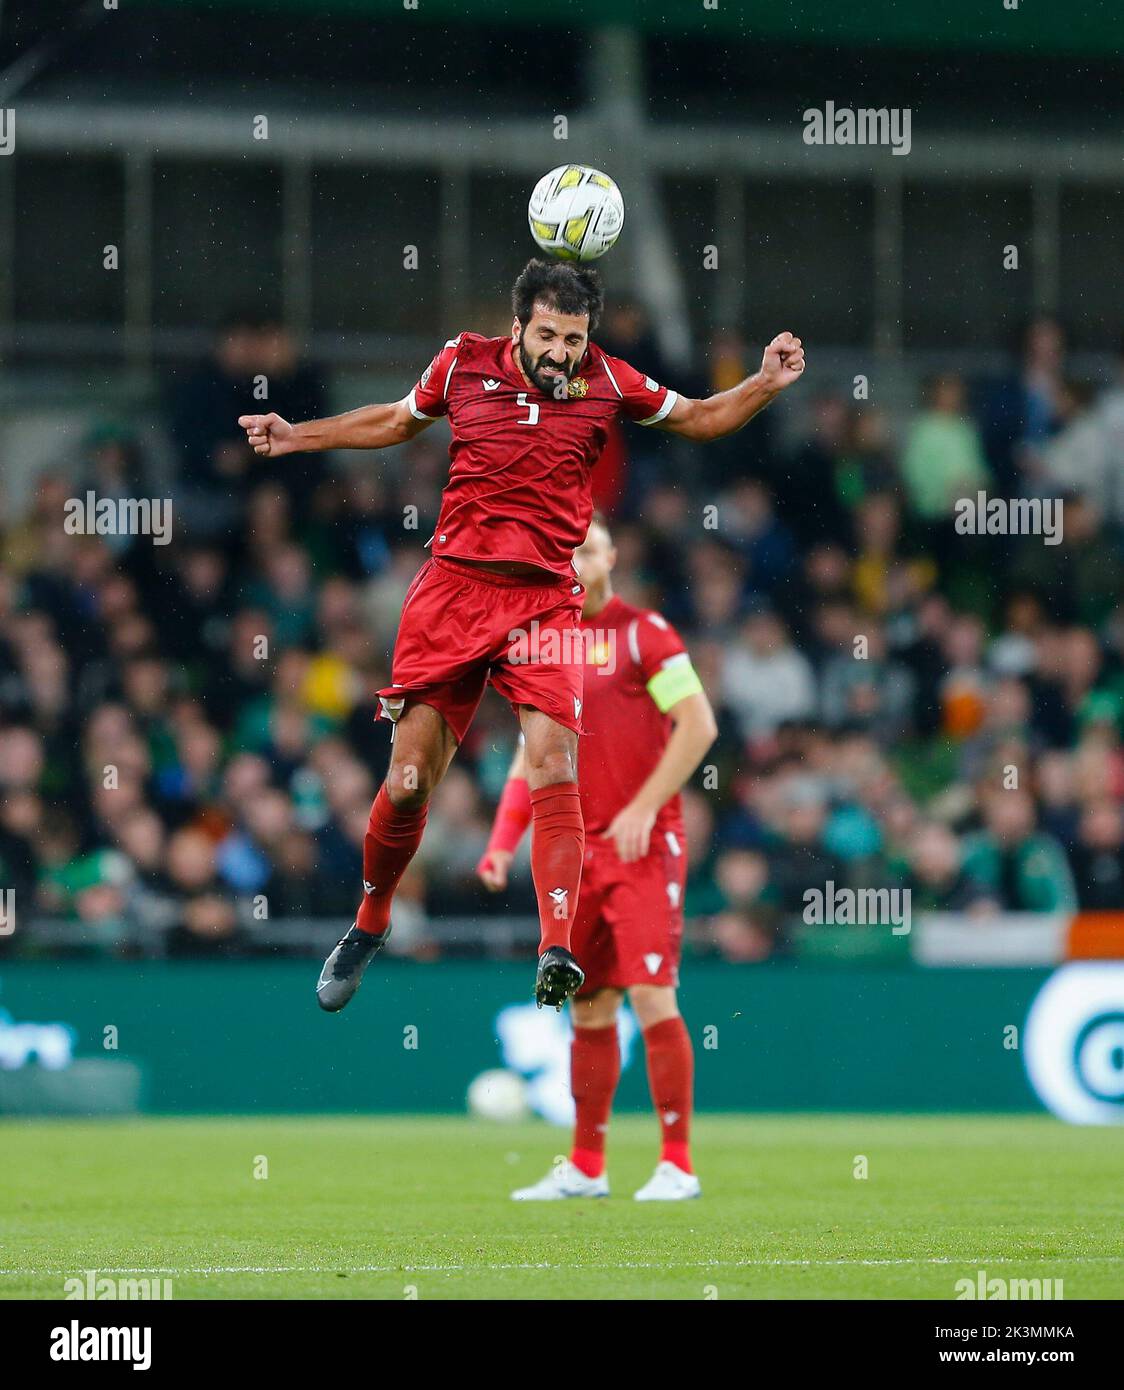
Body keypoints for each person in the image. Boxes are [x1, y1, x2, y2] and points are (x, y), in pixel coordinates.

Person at [238, 259, 805, 1011]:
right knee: (408, 784)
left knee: (553, 759)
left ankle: (556, 947)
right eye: (548, 334)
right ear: (517, 327)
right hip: (453, 592)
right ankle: (370, 924)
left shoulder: (608, 380)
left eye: (574, 338)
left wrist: (761, 382)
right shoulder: (461, 362)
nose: (561, 352)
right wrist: (296, 437)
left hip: (546, 603)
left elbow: (700, 417)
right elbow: (394, 420)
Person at [478, 518, 718, 1201]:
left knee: (650, 995)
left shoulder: (646, 634)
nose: (577, 560)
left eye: (587, 547)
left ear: (612, 554)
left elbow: (699, 724)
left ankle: (677, 1162)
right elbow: (533, 758)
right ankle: (587, 1166)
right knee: (588, 1007)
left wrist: (646, 806)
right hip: (574, 856)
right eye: (565, 549)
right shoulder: (540, 644)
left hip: (643, 847)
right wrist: (500, 843)